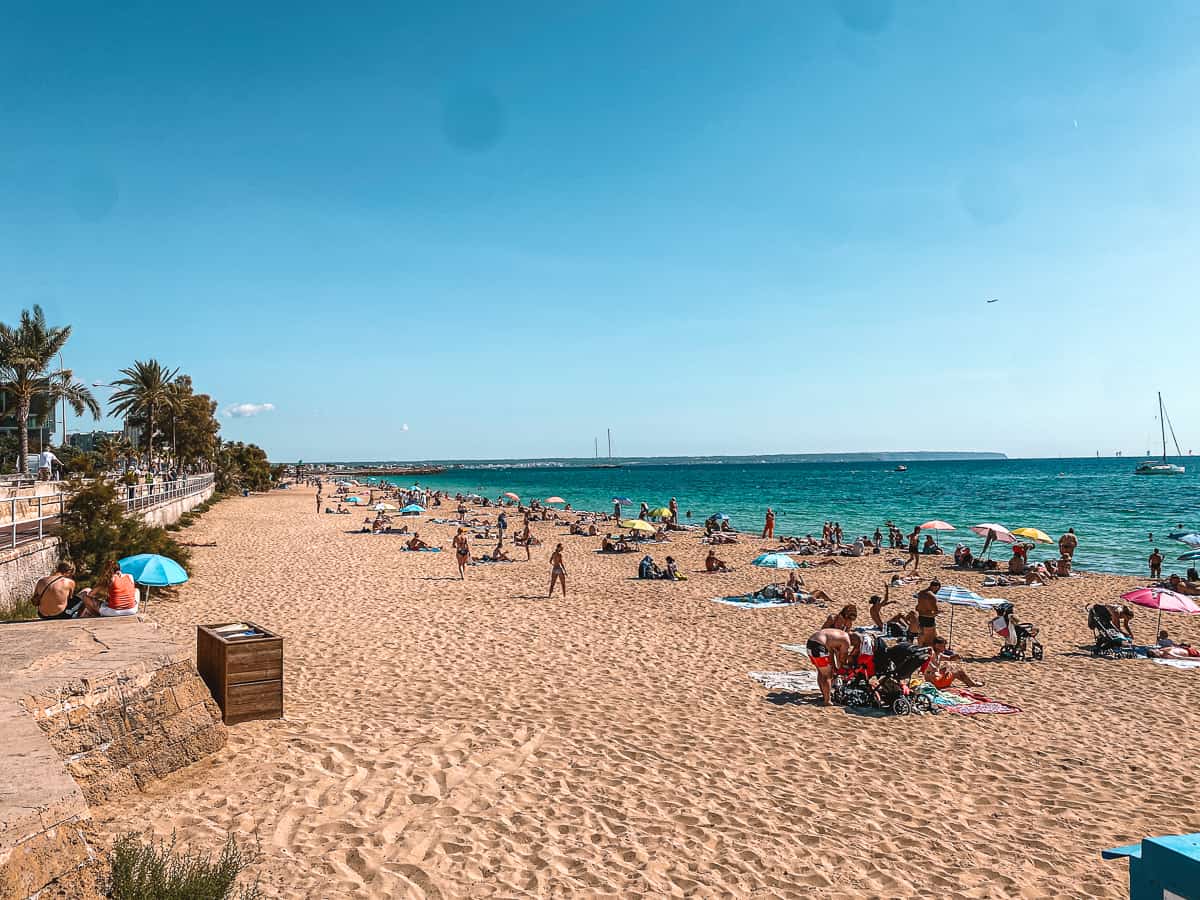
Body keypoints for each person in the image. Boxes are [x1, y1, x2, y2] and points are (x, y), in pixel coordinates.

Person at [805, 627, 851, 705]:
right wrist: (843, 669)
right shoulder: (846, 641)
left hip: (810, 643)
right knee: (827, 675)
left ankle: (825, 695)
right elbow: (842, 658)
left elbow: (830, 654)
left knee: (821, 672)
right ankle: (827, 701)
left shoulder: (837, 636)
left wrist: (834, 667)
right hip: (818, 646)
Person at [915, 579, 941, 646]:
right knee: (930, 640)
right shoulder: (932, 596)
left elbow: (917, 607)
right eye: (937, 589)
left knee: (921, 637)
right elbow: (935, 611)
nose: (937, 591)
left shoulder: (920, 593)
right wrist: (939, 612)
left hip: (921, 617)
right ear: (936, 587)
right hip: (929, 619)